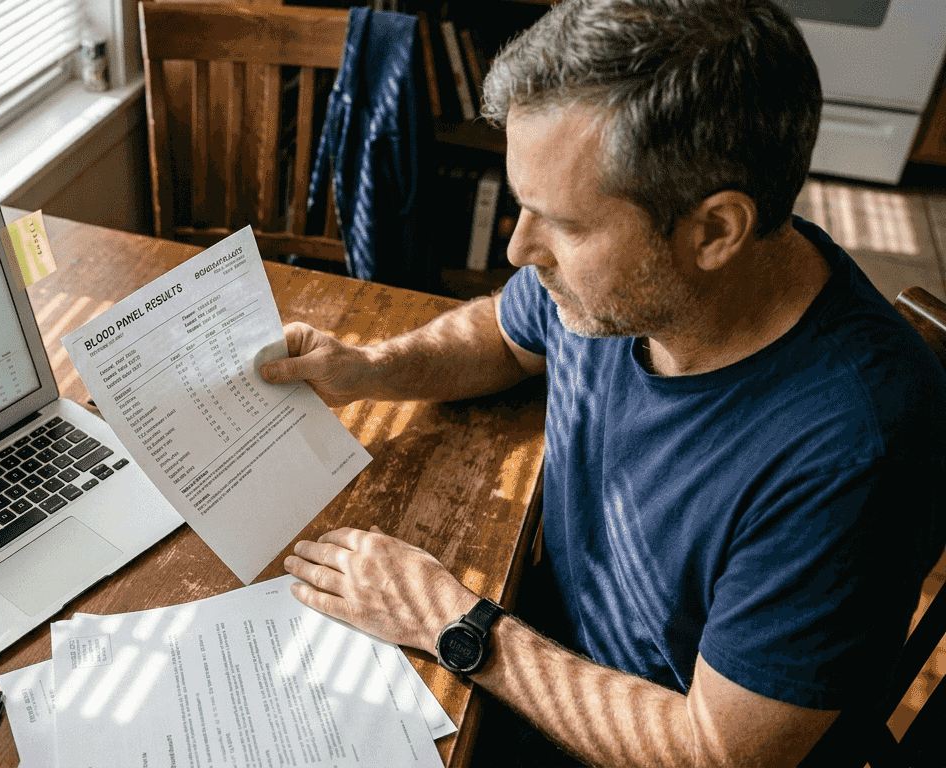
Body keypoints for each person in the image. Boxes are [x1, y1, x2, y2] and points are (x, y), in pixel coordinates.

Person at [259, 0, 946, 765]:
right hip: (538, 642)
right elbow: (505, 334)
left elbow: (717, 751)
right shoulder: (620, 292)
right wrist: (369, 370)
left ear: (715, 231)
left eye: (567, 225)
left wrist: (448, 620)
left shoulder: (857, 449)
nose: (520, 249)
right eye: (522, 204)